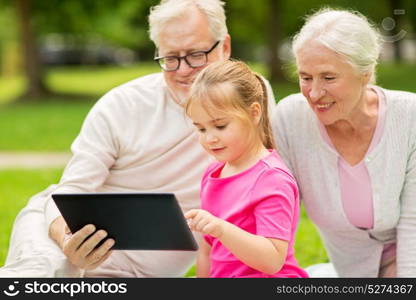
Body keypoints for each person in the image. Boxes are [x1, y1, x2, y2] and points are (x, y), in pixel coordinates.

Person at [0, 0, 275, 277]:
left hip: (132, 271)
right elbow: (72, 189)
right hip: (61, 234)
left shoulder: (250, 99)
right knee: (35, 277)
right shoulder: (122, 105)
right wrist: (66, 239)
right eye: (170, 58)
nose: (182, 70)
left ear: (224, 47)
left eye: (195, 55)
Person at [272, 8, 416, 277]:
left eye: (328, 77)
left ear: (365, 73)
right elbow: (275, 210)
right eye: (305, 78)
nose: (314, 93)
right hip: (349, 273)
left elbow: (413, 225)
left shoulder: (409, 117)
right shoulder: (290, 119)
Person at [184, 60, 308, 278]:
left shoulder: (272, 178)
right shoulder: (213, 173)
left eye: (220, 126)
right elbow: (207, 251)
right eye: (201, 128)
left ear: (254, 113)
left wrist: (221, 229)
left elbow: (272, 261)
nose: (210, 138)